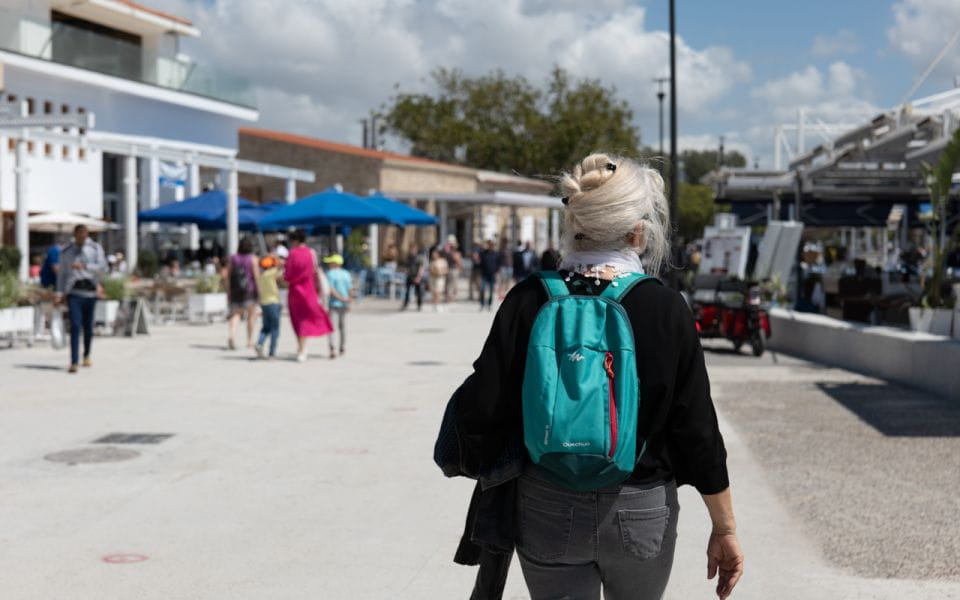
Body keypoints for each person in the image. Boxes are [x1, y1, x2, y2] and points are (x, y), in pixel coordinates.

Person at [446, 154, 743, 599]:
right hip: (641, 507)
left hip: (546, 499)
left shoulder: (529, 299)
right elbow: (696, 428)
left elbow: (483, 410)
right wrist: (725, 527)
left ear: (574, 223)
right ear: (639, 232)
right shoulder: (665, 308)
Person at [56, 225, 107, 373]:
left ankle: (86, 354)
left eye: (85, 235)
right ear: (75, 235)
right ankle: (74, 361)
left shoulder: (95, 249)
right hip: (74, 292)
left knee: (88, 327)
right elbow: (62, 274)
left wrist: (85, 266)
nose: (82, 238)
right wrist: (59, 294)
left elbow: (103, 267)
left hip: (90, 291)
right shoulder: (67, 251)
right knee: (75, 326)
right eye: (80, 235)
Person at [284, 230, 333, 362]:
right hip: (309, 290)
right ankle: (302, 347)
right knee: (308, 317)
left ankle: (301, 348)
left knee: (298, 319)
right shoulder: (311, 253)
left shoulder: (292, 253)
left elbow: (288, 275)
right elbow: (315, 270)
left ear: (295, 240)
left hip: (295, 291)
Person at [225, 237, 260, 351]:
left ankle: (232, 335)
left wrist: (228, 290)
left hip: (235, 290)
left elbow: (228, 276)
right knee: (251, 315)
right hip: (249, 291)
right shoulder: (253, 259)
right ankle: (249, 340)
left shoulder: (233, 258)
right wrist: (259, 292)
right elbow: (256, 276)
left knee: (235, 314)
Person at [323, 254, 353, 358]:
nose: (329, 264)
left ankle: (333, 348)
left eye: (330, 262)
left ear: (334, 263)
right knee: (342, 327)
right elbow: (350, 290)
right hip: (344, 304)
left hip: (334, 303)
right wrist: (348, 301)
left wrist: (339, 298)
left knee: (332, 327)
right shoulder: (346, 274)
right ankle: (342, 347)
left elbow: (330, 289)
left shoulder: (330, 274)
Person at [255, 254, 283, 359]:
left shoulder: (261, 275)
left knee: (265, 327)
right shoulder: (272, 273)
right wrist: (275, 257)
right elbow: (281, 265)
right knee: (275, 329)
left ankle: (259, 343)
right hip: (273, 303)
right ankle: (272, 351)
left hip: (264, 304)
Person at [477, 239, 501, 311]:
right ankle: (482, 304)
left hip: (492, 275)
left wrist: (497, 273)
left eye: (492, 245)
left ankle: (489, 304)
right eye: (489, 244)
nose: (490, 246)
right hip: (484, 274)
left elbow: (498, 264)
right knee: (482, 289)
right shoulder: (483, 253)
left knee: (491, 291)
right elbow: (480, 264)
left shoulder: (496, 254)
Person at [401, 243, 425, 311]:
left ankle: (419, 305)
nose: (412, 251)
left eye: (413, 249)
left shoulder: (419, 258)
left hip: (417, 277)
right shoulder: (408, 258)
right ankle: (405, 304)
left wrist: (419, 277)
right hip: (409, 277)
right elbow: (405, 267)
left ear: (416, 250)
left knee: (418, 292)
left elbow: (421, 268)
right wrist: (405, 270)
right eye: (411, 249)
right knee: (407, 292)